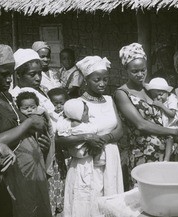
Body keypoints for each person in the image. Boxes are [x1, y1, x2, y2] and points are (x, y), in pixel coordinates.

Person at [0, 42, 52, 217]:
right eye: (3, 74)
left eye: (10, 74)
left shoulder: (8, 96)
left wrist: (41, 142)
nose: (9, 79)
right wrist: (29, 124)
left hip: (29, 174)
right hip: (7, 179)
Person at [58, 55, 124, 217]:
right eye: (97, 80)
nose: (102, 83)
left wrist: (104, 139)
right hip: (86, 164)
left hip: (110, 160)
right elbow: (60, 138)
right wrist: (87, 138)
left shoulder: (109, 100)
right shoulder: (76, 105)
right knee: (88, 204)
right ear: (86, 80)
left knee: (108, 202)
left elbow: (120, 130)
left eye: (105, 79)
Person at [114, 43, 178, 188]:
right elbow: (141, 124)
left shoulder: (150, 88)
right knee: (144, 195)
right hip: (142, 153)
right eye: (135, 71)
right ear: (126, 69)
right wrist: (173, 131)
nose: (140, 75)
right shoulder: (122, 93)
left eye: (143, 70)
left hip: (165, 153)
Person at [11, 48, 66, 217]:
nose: (37, 78)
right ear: (18, 76)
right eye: (31, 74)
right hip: (38, 156)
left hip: (51, 150)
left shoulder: (39, 91)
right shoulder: (20, 97)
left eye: (39, 73)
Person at [57, 98, 105, 166]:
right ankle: (96, 160)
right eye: (85, 111)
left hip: (72, 151)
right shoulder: (82, 126)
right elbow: (94, 130)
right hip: (84, 150)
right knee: (99, 144)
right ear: (78, 113)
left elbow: (59, 127)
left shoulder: (65, 122)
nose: (88, 114)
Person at [145, 77, 178, 161]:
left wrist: (161, 106)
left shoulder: (172, 98)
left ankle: (166, 159)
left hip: (173, 125)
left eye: (161, 94)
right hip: (166, 126)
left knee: (169, 139)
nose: (158, 97)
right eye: (155, 95)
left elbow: (172, 114)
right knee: (163, 142)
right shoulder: (161, 100)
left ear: (167, 92)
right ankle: (162, 158)